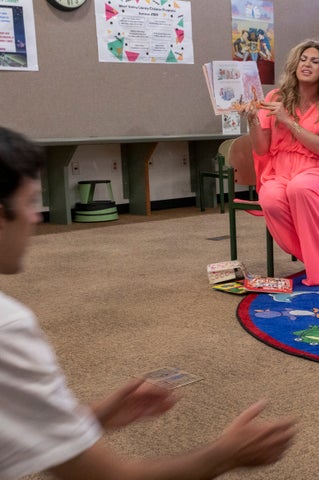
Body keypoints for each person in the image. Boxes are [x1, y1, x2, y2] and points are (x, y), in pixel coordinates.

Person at [0, 127, 296, 479]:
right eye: (30, 202)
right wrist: (225, 454)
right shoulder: (10, 328)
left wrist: (95, 418)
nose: (36, 218)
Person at [243, 39, 319, 286]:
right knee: (270, 199)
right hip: (278, 171)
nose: (306, 64)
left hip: (315, 170)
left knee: (301, 188)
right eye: (303, 59)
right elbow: (261, 149)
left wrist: (288, 121)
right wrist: (252, 120)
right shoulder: (275, 96)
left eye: (314, 61)